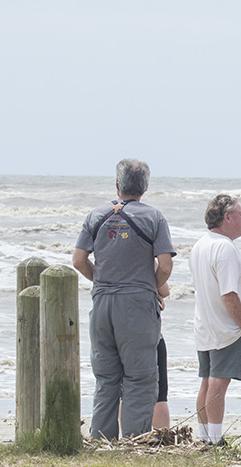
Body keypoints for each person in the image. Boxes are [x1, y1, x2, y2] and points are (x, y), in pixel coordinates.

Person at [73, 158, 175, 440]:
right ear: (145, 187)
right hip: (136, 305)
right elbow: (165, 266)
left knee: (106, 378)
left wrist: (103, 281)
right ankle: (134, 440)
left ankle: (101, 439)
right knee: (140, 377)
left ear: (117, 185)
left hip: (102, 302)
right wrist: (147, 287)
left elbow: (79, 261)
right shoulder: (153, 217)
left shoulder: (96, 215)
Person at [190, 194, 241, 445]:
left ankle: (206, 437)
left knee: (208, 381)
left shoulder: (201, 244)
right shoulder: (224, 248)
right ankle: (215, 440)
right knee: (218, 383)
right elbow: (229, 293)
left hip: (206, 326)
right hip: (225, 327)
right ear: (227, 217)